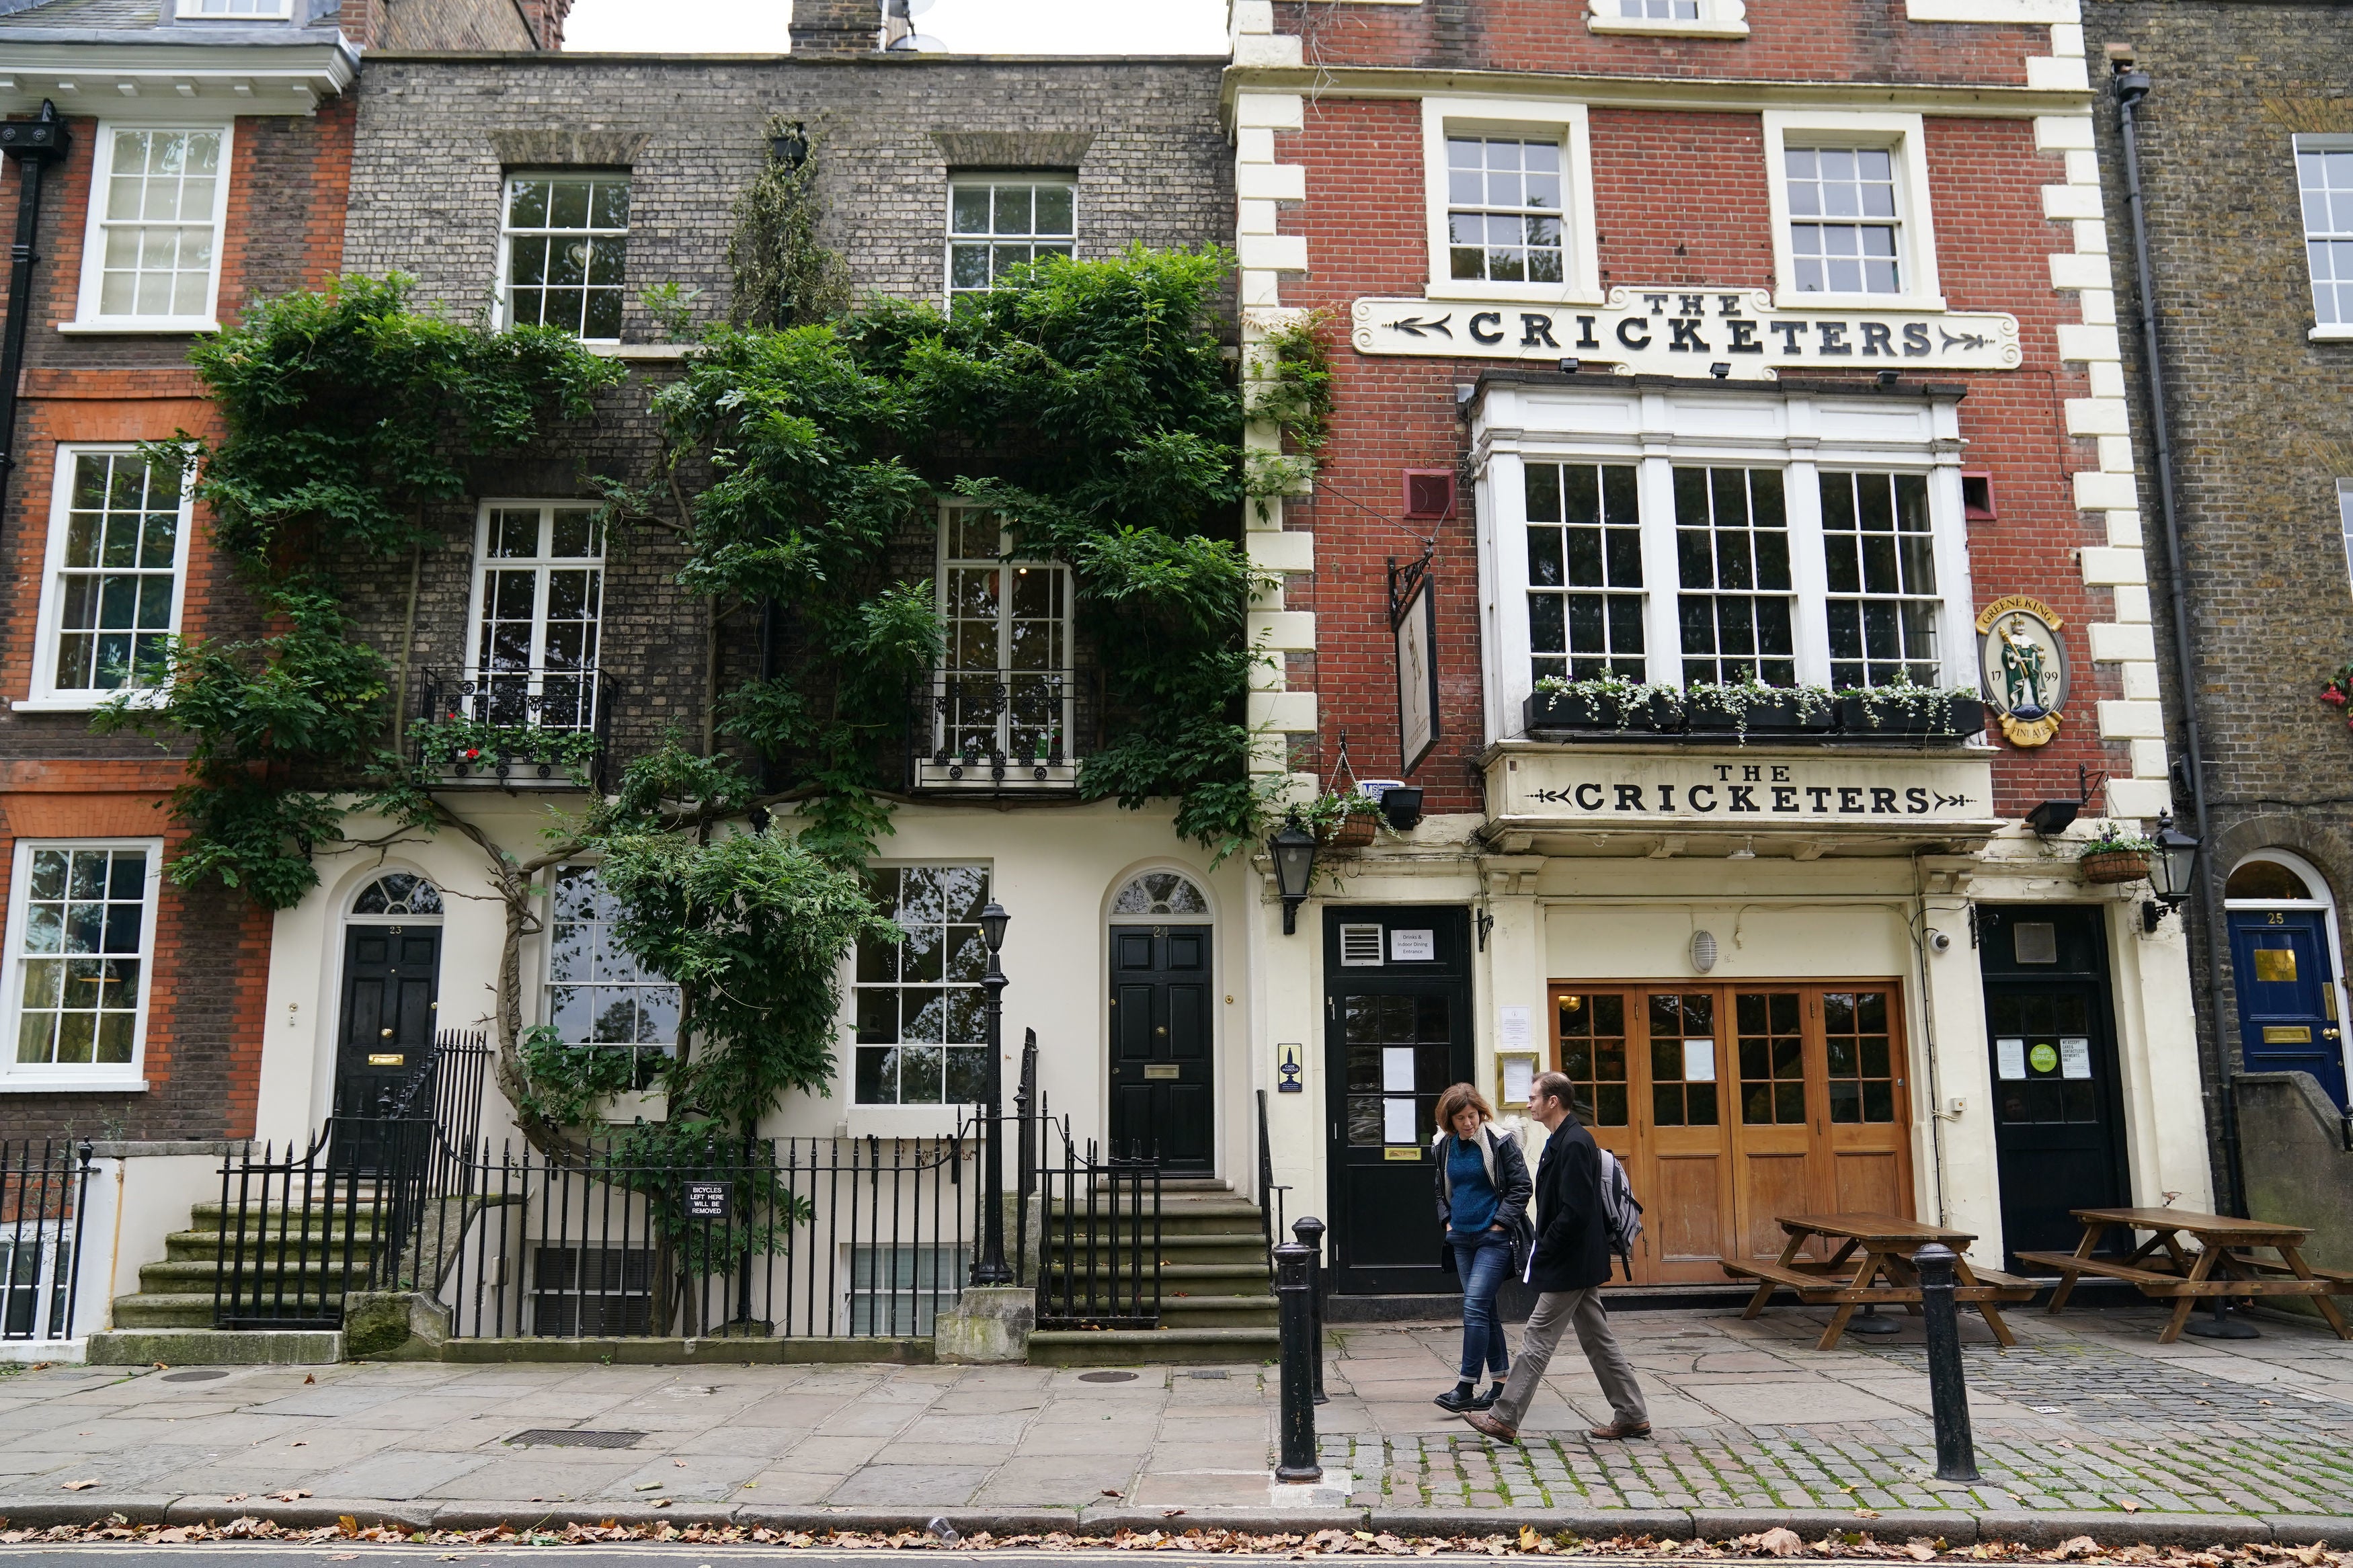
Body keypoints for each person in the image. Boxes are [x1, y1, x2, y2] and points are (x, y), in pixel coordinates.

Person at [1462, 1070, 1650, 1442]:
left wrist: (1544, 1247)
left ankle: (1504, 1416)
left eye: (1534, 1097)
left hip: (1570, 1260)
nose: (1528, 1103)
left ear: (1553, 1101)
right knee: (1599, 1340)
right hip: (1573, 1259)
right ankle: (1632, 1413)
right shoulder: (1560, 1140)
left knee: (1537, 1337)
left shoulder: (1576, 1143)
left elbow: (1577, 1212)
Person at [1429, 1083, 1532, 1413]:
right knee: (1485, 1310)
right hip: (1461, 1239)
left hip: (1493, 1239)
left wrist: (1500, 1223)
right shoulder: (1444, 1147)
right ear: (1449, 1120)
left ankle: (1465, 1386)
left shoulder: (1500, 1142)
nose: (1468, 1123)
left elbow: (1521, 1186)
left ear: (1481, 1113)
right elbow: (1439, 1192)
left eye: (1472, 1116)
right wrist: (1447, 1221)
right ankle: (1501, 1384)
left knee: (1474, 1307)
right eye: (1460, 1118)